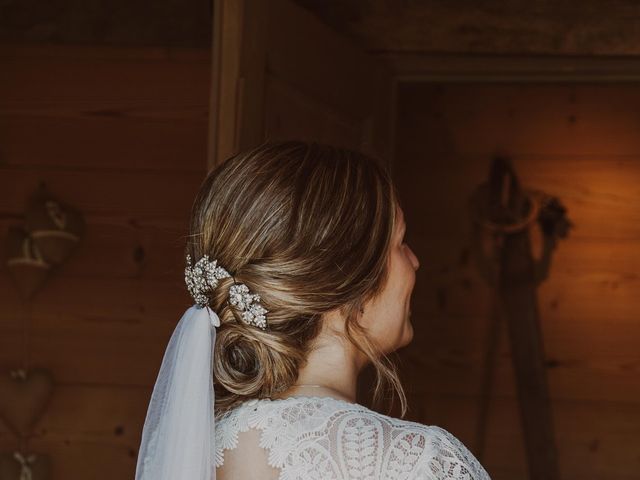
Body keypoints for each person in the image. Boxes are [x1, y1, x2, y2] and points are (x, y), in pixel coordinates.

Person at [135, 140, 492, 480]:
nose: (415, 262)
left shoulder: (186, 448)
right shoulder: (416, 462)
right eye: (400, 243)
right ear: (347, 279)